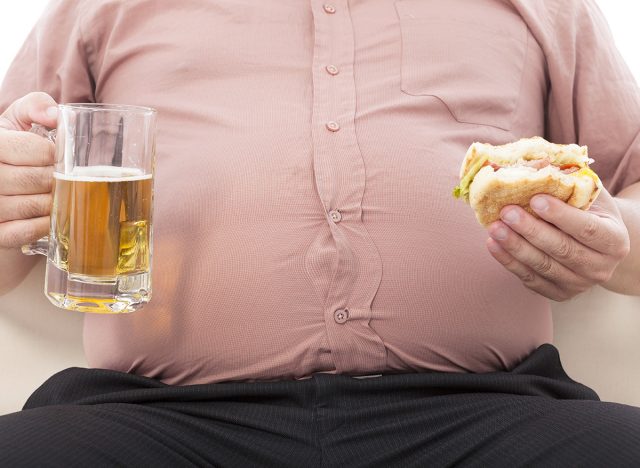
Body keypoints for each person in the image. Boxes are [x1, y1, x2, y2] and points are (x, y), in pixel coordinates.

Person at [0, 0, 639, 466]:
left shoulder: (546, 8)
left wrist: (618, 241)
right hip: (146, 416)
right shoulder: (95, 7)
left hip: (490, 411)